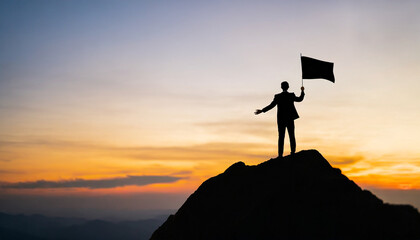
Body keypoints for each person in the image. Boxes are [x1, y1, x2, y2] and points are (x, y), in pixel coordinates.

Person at [255, 81, 305, 158]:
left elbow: (271, 105)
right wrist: (302, 91)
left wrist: (262, 110)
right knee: (291, 135)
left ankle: (280, 155)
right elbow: (300, 99)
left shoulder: (278, 96)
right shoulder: (291, 95)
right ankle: (293, 152)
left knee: (281, 137)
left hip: (281, 119)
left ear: (281, 87)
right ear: (288, 87)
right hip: (289, 118)